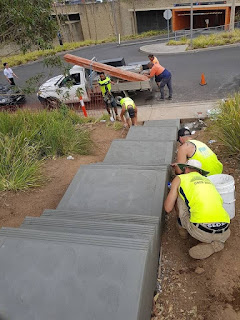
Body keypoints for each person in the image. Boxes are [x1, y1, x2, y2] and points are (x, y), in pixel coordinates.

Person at [164, 159, 230, 260]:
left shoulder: (180, 178)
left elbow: (168, 208)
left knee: (179, 196)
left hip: (201, 231)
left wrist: (173, 189)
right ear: (200, 172)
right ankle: (217, 243)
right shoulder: (208, 181)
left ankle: (183, 232)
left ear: (186, 169)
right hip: (225, 230)